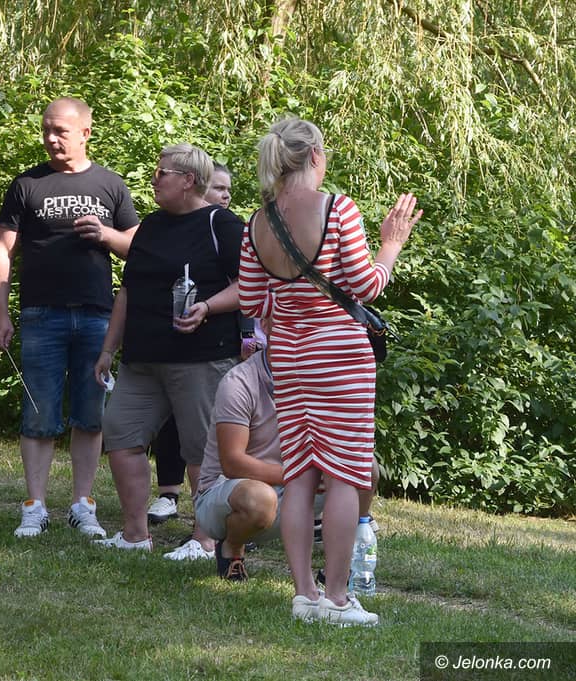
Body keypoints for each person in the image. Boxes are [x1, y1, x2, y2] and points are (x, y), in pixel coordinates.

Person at [239, 116, 420, 626]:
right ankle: (337, 599)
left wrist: (288, 309)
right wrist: (392, 244)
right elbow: (365, 286)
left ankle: (304, 596)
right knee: (344, 475)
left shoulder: (257, 222)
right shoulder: (337, 208)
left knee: (299, 473)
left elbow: (252, 300)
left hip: (288, 358)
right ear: (315, 154)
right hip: (339, 355)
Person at [0, 97, 140, 539]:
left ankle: (82, 505)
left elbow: (137, 249)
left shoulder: (110, 184)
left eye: (60, 131)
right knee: (38, 414)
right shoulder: (27, 184)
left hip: (97, 316)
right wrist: (1, 312)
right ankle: (34, 507)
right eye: (46, 130)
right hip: (41, 314)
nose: (51, 139)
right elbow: (2, 249)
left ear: (86, 133)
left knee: (91, 415)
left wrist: (106, 234)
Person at [93, 144, 244, 552]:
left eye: (162, 172)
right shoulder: (151, 226)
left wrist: (207, 307)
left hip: (201, 358)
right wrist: (108, 349)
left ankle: (204, 540)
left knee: (201, 450)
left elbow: (248, 286)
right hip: (142, 358)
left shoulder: (222, 224)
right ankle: (134, 535)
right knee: (120, 434)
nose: (154, 178)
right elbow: (128, 291)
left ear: (188, 180)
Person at [194, 319, 378, 581]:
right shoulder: (239, 382)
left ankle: (339, 568)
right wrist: (299, 475)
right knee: (260, 498)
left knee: (365, 468)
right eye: (290, 320)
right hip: (231, 491)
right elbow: (233, 463)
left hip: (295, 485)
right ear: (266, 326)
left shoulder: (324, 380)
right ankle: (232, 547)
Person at [147, 162, 246, 529]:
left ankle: (221, 519)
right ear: (199, 188)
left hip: (219, 346)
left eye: (229, 190)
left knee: (212, 430)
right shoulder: (168, 225)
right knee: (172, 422)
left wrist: (249, 335)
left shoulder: (228, 227)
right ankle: (168, 493)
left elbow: (249, 286)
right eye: (219, 188)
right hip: (166, 347)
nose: (225, 195)